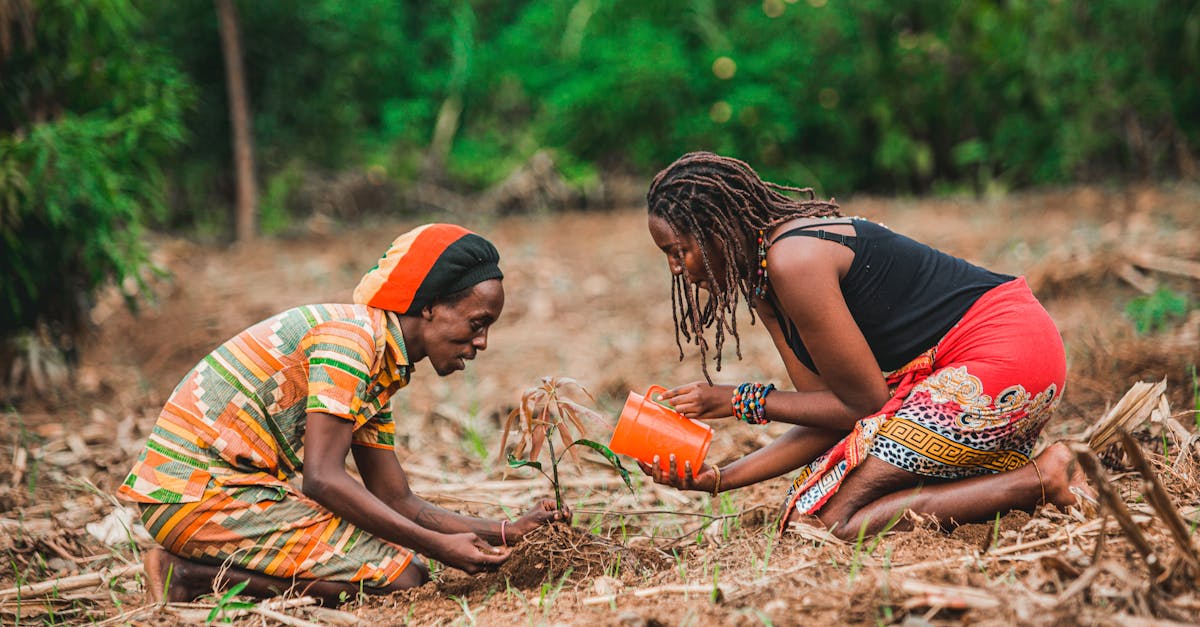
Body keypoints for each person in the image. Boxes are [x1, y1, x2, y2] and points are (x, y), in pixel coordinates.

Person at [638, 152, 1091, 540]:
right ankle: (1009, 478)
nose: (677, 268)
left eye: (680, 250)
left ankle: (1043, 478)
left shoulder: (792, 260)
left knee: (825, 521)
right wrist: (718, 478)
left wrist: (739, 401)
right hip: (981, 363)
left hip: (1003, 354)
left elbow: (863, 405)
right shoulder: (763, 282)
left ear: (718, 229)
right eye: (667, 257)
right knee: (812, 511)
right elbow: (830, 417)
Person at [118, 223, 569, 605]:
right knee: (404, 576)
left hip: (209, 491)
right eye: (477, 323)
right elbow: (321, 478)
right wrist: (438, 546)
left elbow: (396, 500)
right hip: (196, 493)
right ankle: (190, 577)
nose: (482, 343)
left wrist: (507, 530)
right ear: (429, 306)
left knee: (400, 559)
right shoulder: (352, 343)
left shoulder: (381, 362)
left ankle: (194, 574)